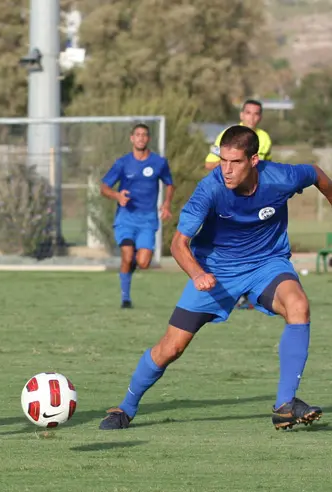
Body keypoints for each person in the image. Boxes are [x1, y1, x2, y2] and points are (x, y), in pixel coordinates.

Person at [99, 125, 330, 432]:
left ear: (253, 160)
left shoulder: (281, 178)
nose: (227, 169)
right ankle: (125, 408)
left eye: (235, 162)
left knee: (298, 305)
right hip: (216, 271)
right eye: (223, 161)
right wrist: (197, 273)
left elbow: (316, 174)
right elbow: (178, 244)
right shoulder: (210, 189)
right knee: (172, 348)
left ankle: (285, 405)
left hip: (267, 264)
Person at [206, 99, 273, 310]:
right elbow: (209, 163)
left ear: (260, 117)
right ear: (241, 115)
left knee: (254, 242)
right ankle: (226, 289)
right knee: (230, 243)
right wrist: (233, 172)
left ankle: (249, 291)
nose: (252, 117)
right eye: (248, 113)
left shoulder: (264, 138)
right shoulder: (229, 135)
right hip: (230, 198)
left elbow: (266, 168)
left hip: (255, 200)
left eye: (256, 114)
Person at [100, 123, 175, 309]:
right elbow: (104, 187)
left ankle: (130, 265)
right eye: (137, 135)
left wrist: (166, 204)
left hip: (148, 219)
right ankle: (125, 298)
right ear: (131, 138)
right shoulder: (123, 163)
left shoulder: (159, 162)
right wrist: (117, 196)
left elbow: (169, 184)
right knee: (126, 255)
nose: (141, 138)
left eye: (144, 135)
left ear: (148, 139)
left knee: (143, 262)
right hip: (126, 218)